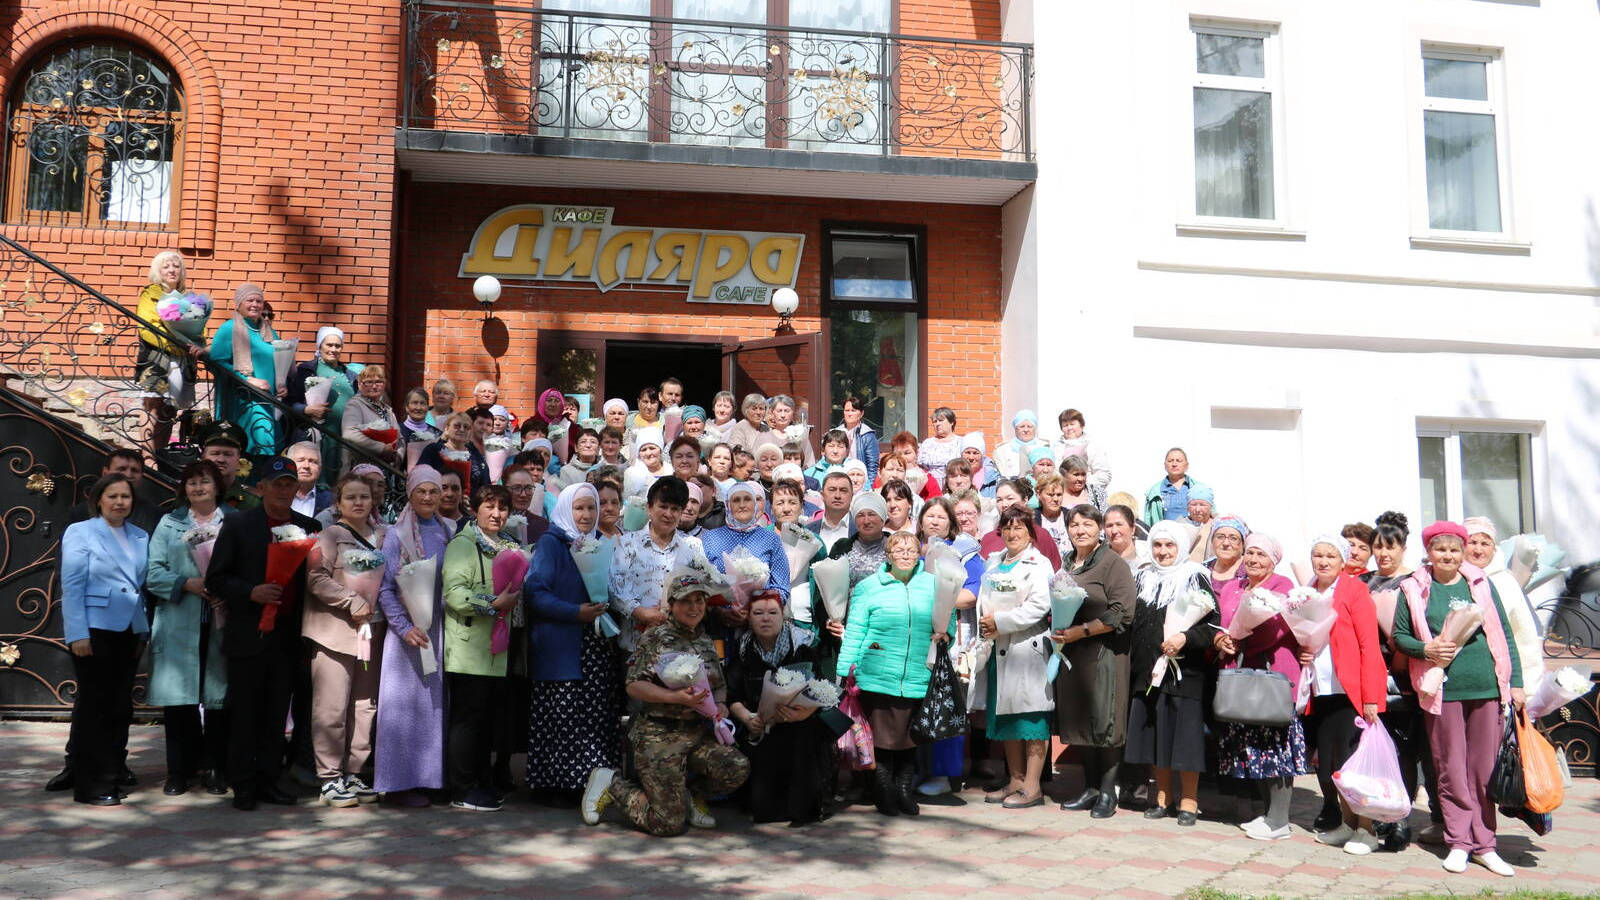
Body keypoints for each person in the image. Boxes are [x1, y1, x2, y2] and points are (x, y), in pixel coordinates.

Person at [1392, 521, 1524, 877]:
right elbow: (1400, 636)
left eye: (1454, 549)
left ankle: (1485, 845)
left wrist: (1516, 683)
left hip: (1486, 687)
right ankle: (1459, 842)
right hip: (1443, 691)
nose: (1448, 555)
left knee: (1482, 770)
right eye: (1440, 549)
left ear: (1463, 552)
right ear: (1429, 552)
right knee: (1450, 768)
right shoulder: (1413, 587)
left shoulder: (1481, 583)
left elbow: (1504, 633)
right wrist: (1427, 649)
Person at [580, 566, 751, 835]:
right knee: (667, 824)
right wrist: (674, 697)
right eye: (685, 601)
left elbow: (719, 687)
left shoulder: (705, 640)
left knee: (736, 767)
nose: (694, 608)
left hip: (695, 734)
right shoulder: (655, 637)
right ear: (671, 605)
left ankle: (690, 798)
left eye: (699, 600)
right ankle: (612, 783)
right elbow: (634, 685)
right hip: (658, 734)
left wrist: (719, 707)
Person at [206, 456, 322, 810]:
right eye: (277, 485)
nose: (284, 491)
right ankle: (243, 784)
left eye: (289, 484)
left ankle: (270, 780)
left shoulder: (309, 526)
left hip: (288, 637)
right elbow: (216, 579)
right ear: (261, 488)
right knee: (244, 713)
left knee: (276, 713)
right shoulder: (239, 524)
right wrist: (250, 592)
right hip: (248, 633)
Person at [525, 483, 622, 804]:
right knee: (561, 715)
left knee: (593, 716)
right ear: (567, 509)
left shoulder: (599, 543)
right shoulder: (552, 543)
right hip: (561, 645)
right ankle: (556, 785)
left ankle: (591, 783)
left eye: (591, 508)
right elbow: (536, 593)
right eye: (579, 508)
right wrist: (575, 612)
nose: (586, 515)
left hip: (592, 644)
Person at [59, 473, 150, 806]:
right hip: (94, 630)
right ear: (98, 500)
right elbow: (72, 585)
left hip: (129, 630)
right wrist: (77, 633)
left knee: (118, 707)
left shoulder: (140, 535)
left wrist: (141, 630)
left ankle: (110, 776)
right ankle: (90, 785)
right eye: (112, 496)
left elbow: (139, 587)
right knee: (95, 708)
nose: (119, 502)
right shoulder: (80, 531)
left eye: (125, 496)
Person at [837, 530, 941, 816]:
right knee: (881, 741)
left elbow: (947, 622)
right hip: (877, 675)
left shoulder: (933, 585)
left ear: (919, 554)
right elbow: (855, 630)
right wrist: (844, 671)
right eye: (899, 550)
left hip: (917, 674)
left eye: (911, 550)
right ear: (888, 554)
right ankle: (884, 791)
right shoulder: (869, 586)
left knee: (910, 739)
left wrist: (946, 634)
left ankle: (903, 790)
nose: (905, 555)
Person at [1211, 533, 1307, 840]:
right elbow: (1220, 622)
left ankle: (1279, 820)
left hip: (1274, 674)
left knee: (1276, 746)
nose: (1253, 559)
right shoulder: (1233, 587)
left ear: (1273, 561)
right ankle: (1268, 814)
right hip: (1241, 674)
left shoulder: (1282, 586)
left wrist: (1238, 641)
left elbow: (1276, 631)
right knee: (1253, 746)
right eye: (1250, 553)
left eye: (1261, 555)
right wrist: (1221, 639)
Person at [145, 459, 233, 797]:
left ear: (217, 486)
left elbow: (246, 567)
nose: (198, 488)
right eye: (192, 482)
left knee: (219, 699)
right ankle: (179, 771)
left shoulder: (234, 521)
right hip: (179, 622)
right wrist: (186, 583)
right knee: (179, 702)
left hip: (220, 621)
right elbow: (153, 572)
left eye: (205, 481)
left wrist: (225, 588)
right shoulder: (169, 523)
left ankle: (216, 768)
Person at [1297, 533, 1388, 855]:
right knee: (1331, 765)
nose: (1323, 562)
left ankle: (1367, 830)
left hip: (1350, 693)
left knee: (1354, 765)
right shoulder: (1308, 591)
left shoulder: (1354, 590)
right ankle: (1347, 825)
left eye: (1330, 556)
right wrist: (1304, 652)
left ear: (1342, 560)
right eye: (1318, 555)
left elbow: (1369, 645)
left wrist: (1371, 697)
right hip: (1321, 691)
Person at [374, 465, 455, 806]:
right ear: (410, 493)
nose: (428, 497)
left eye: (434, 491)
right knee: (403, 708)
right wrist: (404, 628)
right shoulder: (396, 535)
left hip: (437, 629)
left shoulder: (448, 530)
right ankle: (397, 784)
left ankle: (428, 778)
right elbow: (385, 588)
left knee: (432, 708)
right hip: (407, 635)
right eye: (421, 491)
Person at [1126, 520, 1216, 826]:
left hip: (1183, 672)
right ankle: (1162, 798)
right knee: (1156, 735)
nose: (1162, 552)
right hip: (1147, 670)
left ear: (1181, 547)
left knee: (1185, 739)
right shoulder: (1143, 577)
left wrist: (1184, 638)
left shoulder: (1195, 576)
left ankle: (1189, 802)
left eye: (1169, 545)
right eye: (1157, 545)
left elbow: (1211, 625)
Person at [1050, 504, 1137, 819]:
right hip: (1073, 654)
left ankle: (1107, 791)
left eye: (1087, 524)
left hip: (1104, 652)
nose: (1080, 530)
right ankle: (1089, 787)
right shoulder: (1068, 562)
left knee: (1105, 720)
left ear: (1099, 529)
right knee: (1081, 719)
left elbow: (1121, 613)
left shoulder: (1113, 563)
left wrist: (1081, 631)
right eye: (1074, 525)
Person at [441, 485, 522, 811]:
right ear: (475, 509)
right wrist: (492, 603)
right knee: (468, 719)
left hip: (496, 648)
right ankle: (462, 788)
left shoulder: (507, 545)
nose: (497, 514)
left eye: (503, 508)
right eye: (490, 506)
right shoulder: (463, 545)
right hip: (469, 647)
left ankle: (480, 781)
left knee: (487, 720)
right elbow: (454, 593)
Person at [725, 590, 836, 826]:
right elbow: (731, 695)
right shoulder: (744, 650)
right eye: (758, 613)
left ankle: (804, 807)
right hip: (762, 724)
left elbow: (821, 689)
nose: (765, 618)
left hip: (801, 722)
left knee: (805, 737)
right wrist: (748, 718)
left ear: (783, 616)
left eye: (772, 613)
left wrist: (803, 713)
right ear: (748, 618)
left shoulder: (802, 646)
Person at [971, 507, 1054, 809]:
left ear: (1030, 533)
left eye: (1019, 528)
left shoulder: (1039, 564)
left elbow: (1039, 605)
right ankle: (1015, 781)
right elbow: (984, 598)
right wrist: (987, 622)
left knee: (1031, 717)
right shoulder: (994, 562)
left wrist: (1001, 621)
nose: (1012, 533)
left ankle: (1032, 786)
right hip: (998, 647)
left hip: (1026, 646)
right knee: (1006, 716)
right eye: (1007, 528)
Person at [610, 478, 703, 657]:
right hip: (635, 643)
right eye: (663, 506)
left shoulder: (691, 548)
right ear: (650, 507)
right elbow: (615, 587)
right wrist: (639, 613)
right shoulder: (628, 544)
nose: (668, 514)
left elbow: (699, 591)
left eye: (675, 509)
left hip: (678, 645)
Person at [1463, 516, 1544, 692]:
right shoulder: (1448, 579)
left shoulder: (1506, 583)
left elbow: (1524, 637)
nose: (1478, 550)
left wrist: (1527, 687)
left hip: (1499, 681)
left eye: (1485, 544)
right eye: (1472, 542)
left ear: (1494, 548)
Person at [208, 283, 282, 456]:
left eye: (259, 301)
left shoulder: (269, 332)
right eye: (250, 300)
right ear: (239, 304)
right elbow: (216, 362)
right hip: (243, 399)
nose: (255, 304)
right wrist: (248, 379)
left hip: (268, 400)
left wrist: (281, 384)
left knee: (267, 446)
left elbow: (279, 362)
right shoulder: (228, 328)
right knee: (253, 446)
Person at [133, 250, 194, 455]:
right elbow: (147, 328)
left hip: (182, 360)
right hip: (157, 357)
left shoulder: (188, 299)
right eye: (166, 266)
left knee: (169, 411)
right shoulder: (150, 294)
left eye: (176, 266)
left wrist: (196, 343)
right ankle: (147, 458)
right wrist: (177, 345)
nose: (172, 270)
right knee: (152, 405)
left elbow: (197, 329)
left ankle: (161, 456)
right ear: (157, 271)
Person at [285, 327, 363, 477]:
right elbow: (289, 402)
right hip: (315, 436)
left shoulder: (351, 376)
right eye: (329, 345)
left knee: (340, 479)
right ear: (320, 346)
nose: (333, 349)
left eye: (338, 346)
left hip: (343, 439)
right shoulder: (307, 370)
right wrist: (306, 410)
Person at [702, 481, 790, 603]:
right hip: (720, 611)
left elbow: (782, 588)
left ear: (755, 504)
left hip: (760, 611)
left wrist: (758, 606)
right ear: (727, 505)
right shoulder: (711, 538)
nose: (742, 505)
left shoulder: (771, 539)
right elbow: (703, 584)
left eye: (747, 499)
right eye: (736, 500)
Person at [980, 479, 1062, 571]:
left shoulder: (1040, 535)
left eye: (1010, 498)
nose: (1004, 504)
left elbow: (1056, 572)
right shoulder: (989, 538)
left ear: (1025, 500)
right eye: (999, 500)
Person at [418, 412, 489, 499]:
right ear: (447, 429)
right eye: (457, 426)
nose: (462, 430)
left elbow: (485, 485)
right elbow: (421, 476)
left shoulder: (475, 455)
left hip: (471, 504)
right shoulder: (434, 450)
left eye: (466, 427)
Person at [342, 365, 400, 471]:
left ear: (384, 384)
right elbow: (349, 434)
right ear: (360, 385)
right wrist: (382, 448)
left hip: (387, 468)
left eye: (378, 382)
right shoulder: (355, 405)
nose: (374, 386)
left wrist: (397, 455)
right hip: (362, 468)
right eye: (368, 382)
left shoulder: (388, 410)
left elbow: (400, 438)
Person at [196, 421, 260, 512]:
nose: (221, 460)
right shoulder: (189, 496)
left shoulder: (253, 502)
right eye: (215, 453)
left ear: (238, 458)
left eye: (228, 454)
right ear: (204, 456)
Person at [1052, 409, 1111, 492]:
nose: (1069, 428)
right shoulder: (1056, 447)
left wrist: (1082, 485)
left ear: (1082, 425)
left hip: (1086, 493)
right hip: (1062, 493)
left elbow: (1104, 474)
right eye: (1065, 425)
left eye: (1072, 424)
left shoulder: (1092, 445)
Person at [1143, 448, 1206, 525]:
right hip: (1164, 532)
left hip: (1195, 532)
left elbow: (1212, 517)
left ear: (1187, 465)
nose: (1174, 464)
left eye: (1178, 461)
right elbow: (1148, 522)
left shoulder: (1200, 489)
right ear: (1165, 465)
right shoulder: (1154, 492)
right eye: (1170, 461)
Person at [993, 410, 1046, 480]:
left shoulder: (1044, 447)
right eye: (1022, 426)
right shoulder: (1003, 451)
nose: (1026, 430)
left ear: (1035, 428)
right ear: (1015, 428)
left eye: (1029, 426)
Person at [284, 442, 332, 519]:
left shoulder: (332, 500)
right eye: (300, 460)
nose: (306, 466)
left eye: (312, 461)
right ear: (288, 465)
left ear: (320, 469)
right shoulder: (274, 496)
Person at [839, 395, 880, 485]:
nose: (849, 414)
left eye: (853, 410)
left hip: (860, 482)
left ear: (861, 413)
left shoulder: (868, 435)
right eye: (847, 410)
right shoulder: (836, 432)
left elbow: (872, 465)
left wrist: (867, 486)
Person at [809, 470, 855, 550]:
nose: (837, 496)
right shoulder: (809, 530)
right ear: (822, 495)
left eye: (843, 490)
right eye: (832, 490)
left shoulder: (862, 531)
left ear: (851, 495)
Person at [918, 407, 962, 487]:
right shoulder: (927, 443)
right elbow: (919, 466)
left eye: (941, 420)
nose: (937, 424)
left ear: (951, 422)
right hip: (929, 486)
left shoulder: (961, 443)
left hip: (953, 486)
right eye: (935, 421)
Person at [767, 394, 814, 467]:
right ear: (772, 413)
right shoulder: (764, 437)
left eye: (786, 411)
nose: (783, 415)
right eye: (779, 411)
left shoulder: (800, 436)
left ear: (792, 414)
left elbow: (810, 463)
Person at [1205, 516, 1250, 591]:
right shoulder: (1203, 569)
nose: (1225, 543)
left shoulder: (1250, 571)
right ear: (1212, 541)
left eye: (1233, 538)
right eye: (1220, 537)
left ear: (1242, 544)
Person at [1033, 473, 1070, 561]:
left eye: (1059, 495)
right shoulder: (1031, 519)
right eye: (1050, 495)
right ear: (1039, 494)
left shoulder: (1071, 516)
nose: (1056, 499)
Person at [1104, 504, 1150, 572]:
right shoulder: (1098, 558)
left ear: (1133, 528)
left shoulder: (1149, 554)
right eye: (1109, 526)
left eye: (1119, 524)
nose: (1114, 531)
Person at [961, 432, 1000, 498]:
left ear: (982, 455)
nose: (971, 457)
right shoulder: (955, 474)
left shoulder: (992, 476)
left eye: (975, 453)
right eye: (967, 453)